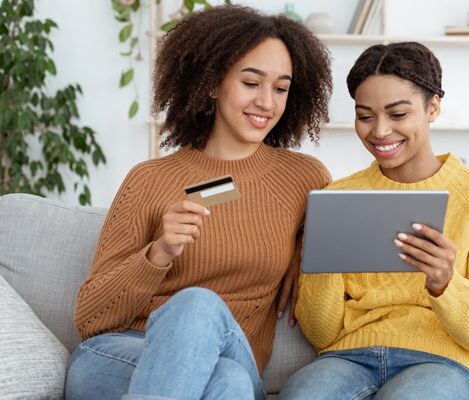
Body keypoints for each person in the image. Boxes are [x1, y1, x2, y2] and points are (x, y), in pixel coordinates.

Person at [64, 5, 332, 400]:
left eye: (280, 88)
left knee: (228, 373)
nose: (266, 102)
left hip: (233, 359)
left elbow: (341, 230)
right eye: (251, 83)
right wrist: (158, 253)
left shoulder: (303, 179)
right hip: (121, 355)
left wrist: (303, 247)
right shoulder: (149, 180)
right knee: (206, 329)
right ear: (211, 83)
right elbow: (91, 317)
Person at [280, 42, 469, 400]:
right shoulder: (338, 196)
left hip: (443, 364)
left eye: (398, 114)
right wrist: (322, 256)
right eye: (365, 115)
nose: (379, 131)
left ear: (432, 107)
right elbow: (320, 332)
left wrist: (444, 282)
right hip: (348, 357)